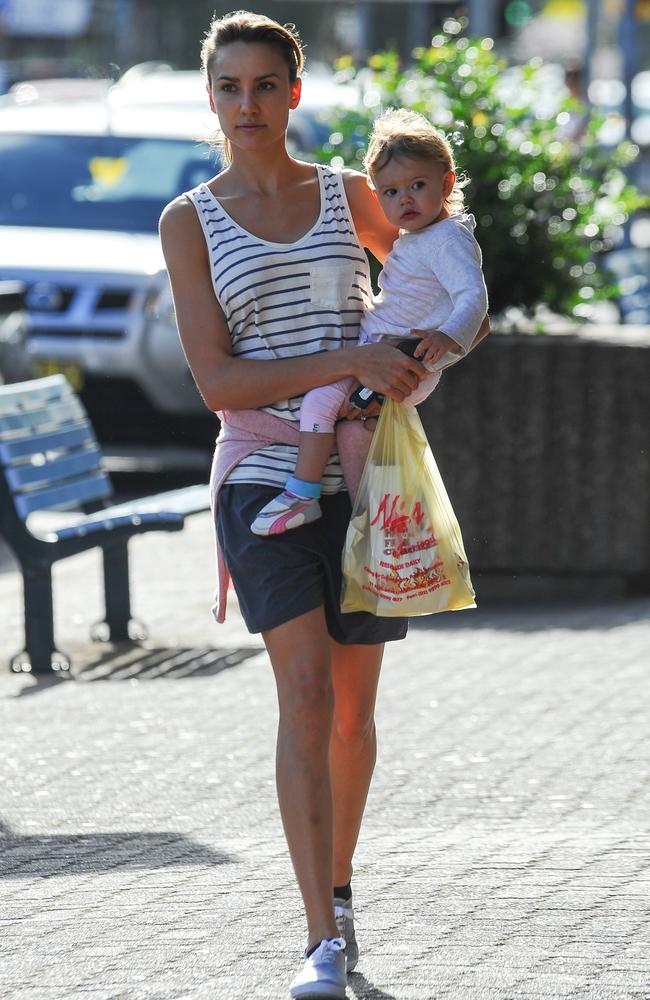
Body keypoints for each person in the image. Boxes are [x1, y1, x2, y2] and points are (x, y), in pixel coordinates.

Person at [159, 12, 488, 998]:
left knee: (351, 713)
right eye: (229, 87)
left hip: (367, 473)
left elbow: (442, 274)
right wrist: (350, 356)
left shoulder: (355, 196)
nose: (247, 104)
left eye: (265, 85)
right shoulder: (189, 219)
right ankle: (319, 939)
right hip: (261, 469)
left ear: (293, 94)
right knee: (302, 690)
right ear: (209, 96)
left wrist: (432, 351)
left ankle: (338, 893)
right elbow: (217, 382)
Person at [250, 107, 489, 536]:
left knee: (321, 404)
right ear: (377, 197)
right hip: (393, 351)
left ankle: (303, 493)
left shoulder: (448, 237)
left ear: (446, 183)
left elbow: (474, 297)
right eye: (392, 192)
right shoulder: (420, 238)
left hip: (404, 356)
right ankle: (374, 519)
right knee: (357, 433)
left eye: (418, 186)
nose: (406, 200)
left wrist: (449, 337)